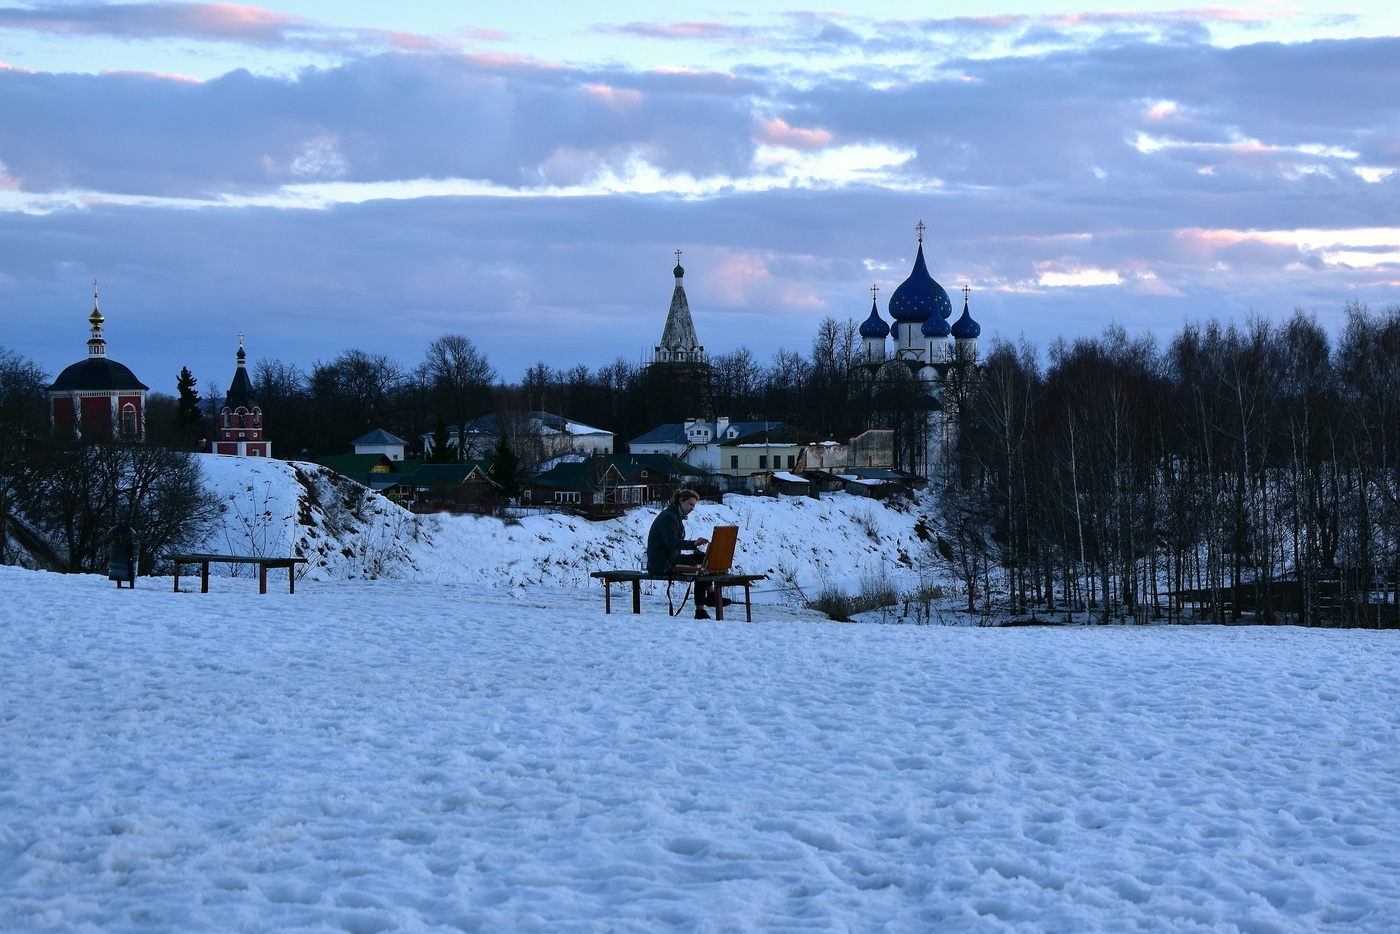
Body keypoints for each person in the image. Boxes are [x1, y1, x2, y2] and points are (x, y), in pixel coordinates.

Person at [647, 488, 718, 619]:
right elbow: (672, 542)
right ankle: (700, 610)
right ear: (681, 501)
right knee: (697, 567)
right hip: (662, 563)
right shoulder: (669, 517)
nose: (692, 508)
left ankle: (711, 595)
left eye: (694, 506)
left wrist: (694, 546)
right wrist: (693, 544)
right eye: (690, 504)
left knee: (703, 558)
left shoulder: (675, 516)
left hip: (670, 558)